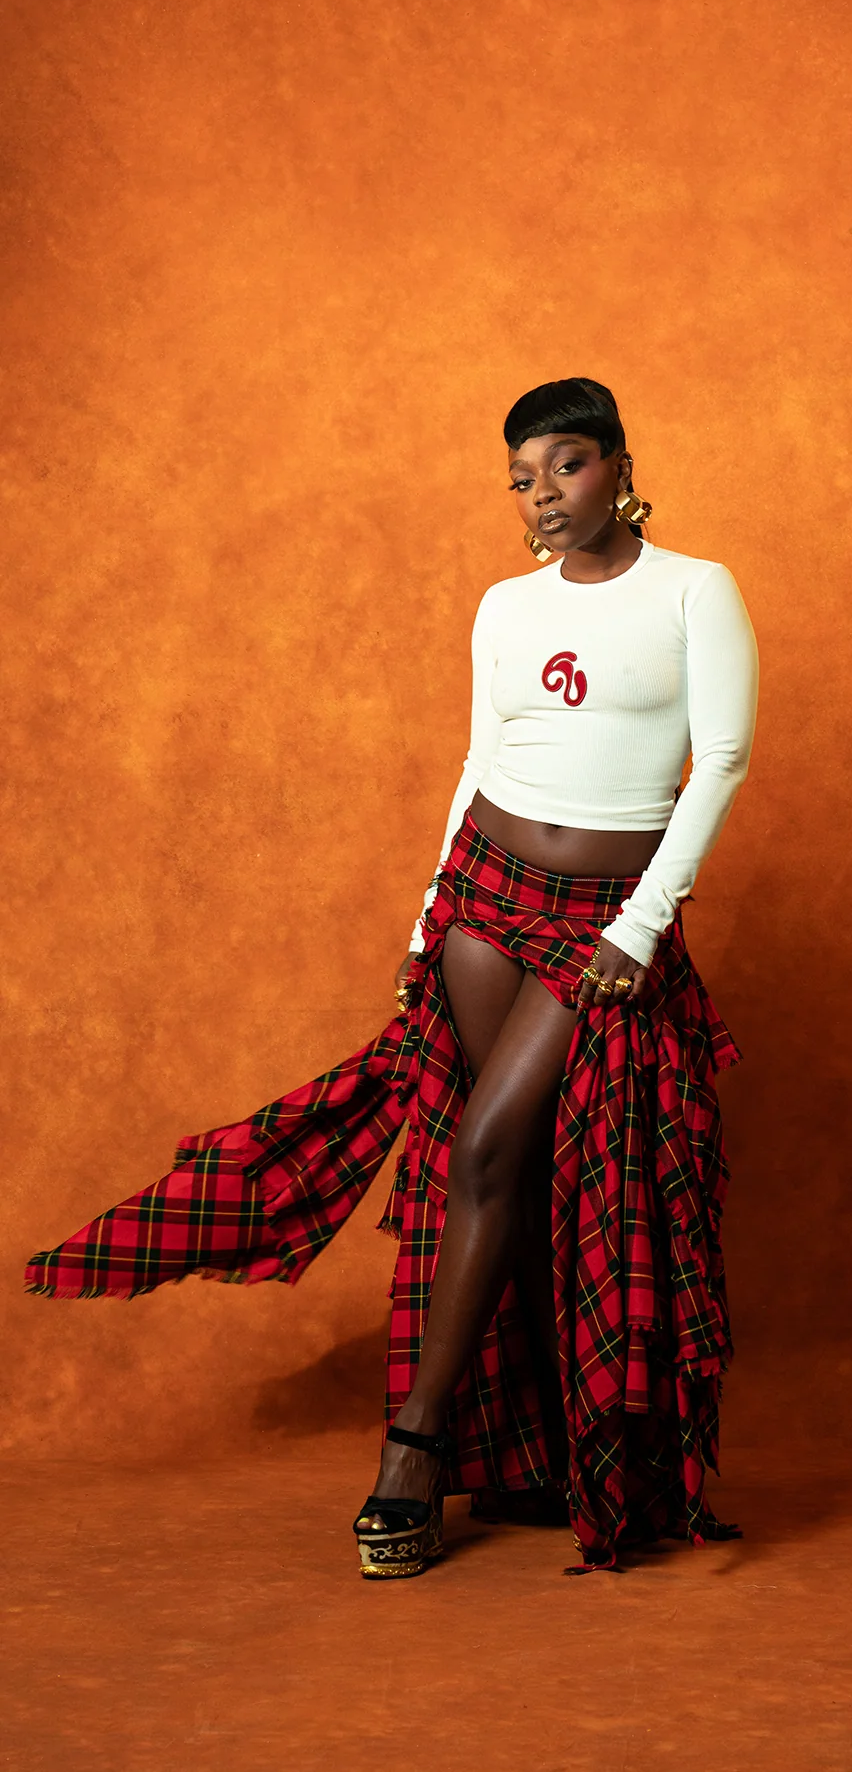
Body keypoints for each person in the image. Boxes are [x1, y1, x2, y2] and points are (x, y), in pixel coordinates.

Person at [26, 376, 759, 1579]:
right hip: (485, 894)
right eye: (521, 478)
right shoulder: (507, 606)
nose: (542, 494)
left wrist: (640, 925)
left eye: (566, 465)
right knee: (512, 1171)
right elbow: (481, 757)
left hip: (602, 917)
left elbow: (720, 760)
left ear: (620, 465)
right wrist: (431, 913)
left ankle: (412, 1450)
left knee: (487, 1150)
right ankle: (540, 1455)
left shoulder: (695, 590)